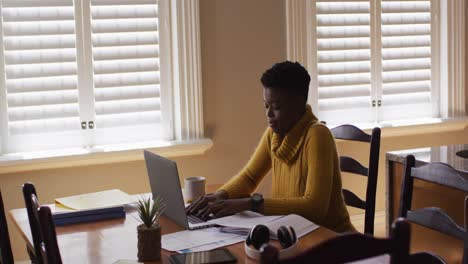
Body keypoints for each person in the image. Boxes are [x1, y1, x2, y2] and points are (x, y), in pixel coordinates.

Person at [186, 61, 356, 233]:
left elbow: (315, 208)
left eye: (276, 107)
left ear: (298, 103)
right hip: (293, 233)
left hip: (332, 239)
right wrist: (221, 195)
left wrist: (251, 204)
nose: (269, 114)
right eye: (266, 106)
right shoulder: (273, 134)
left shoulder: (318, 135)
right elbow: (250, 177)